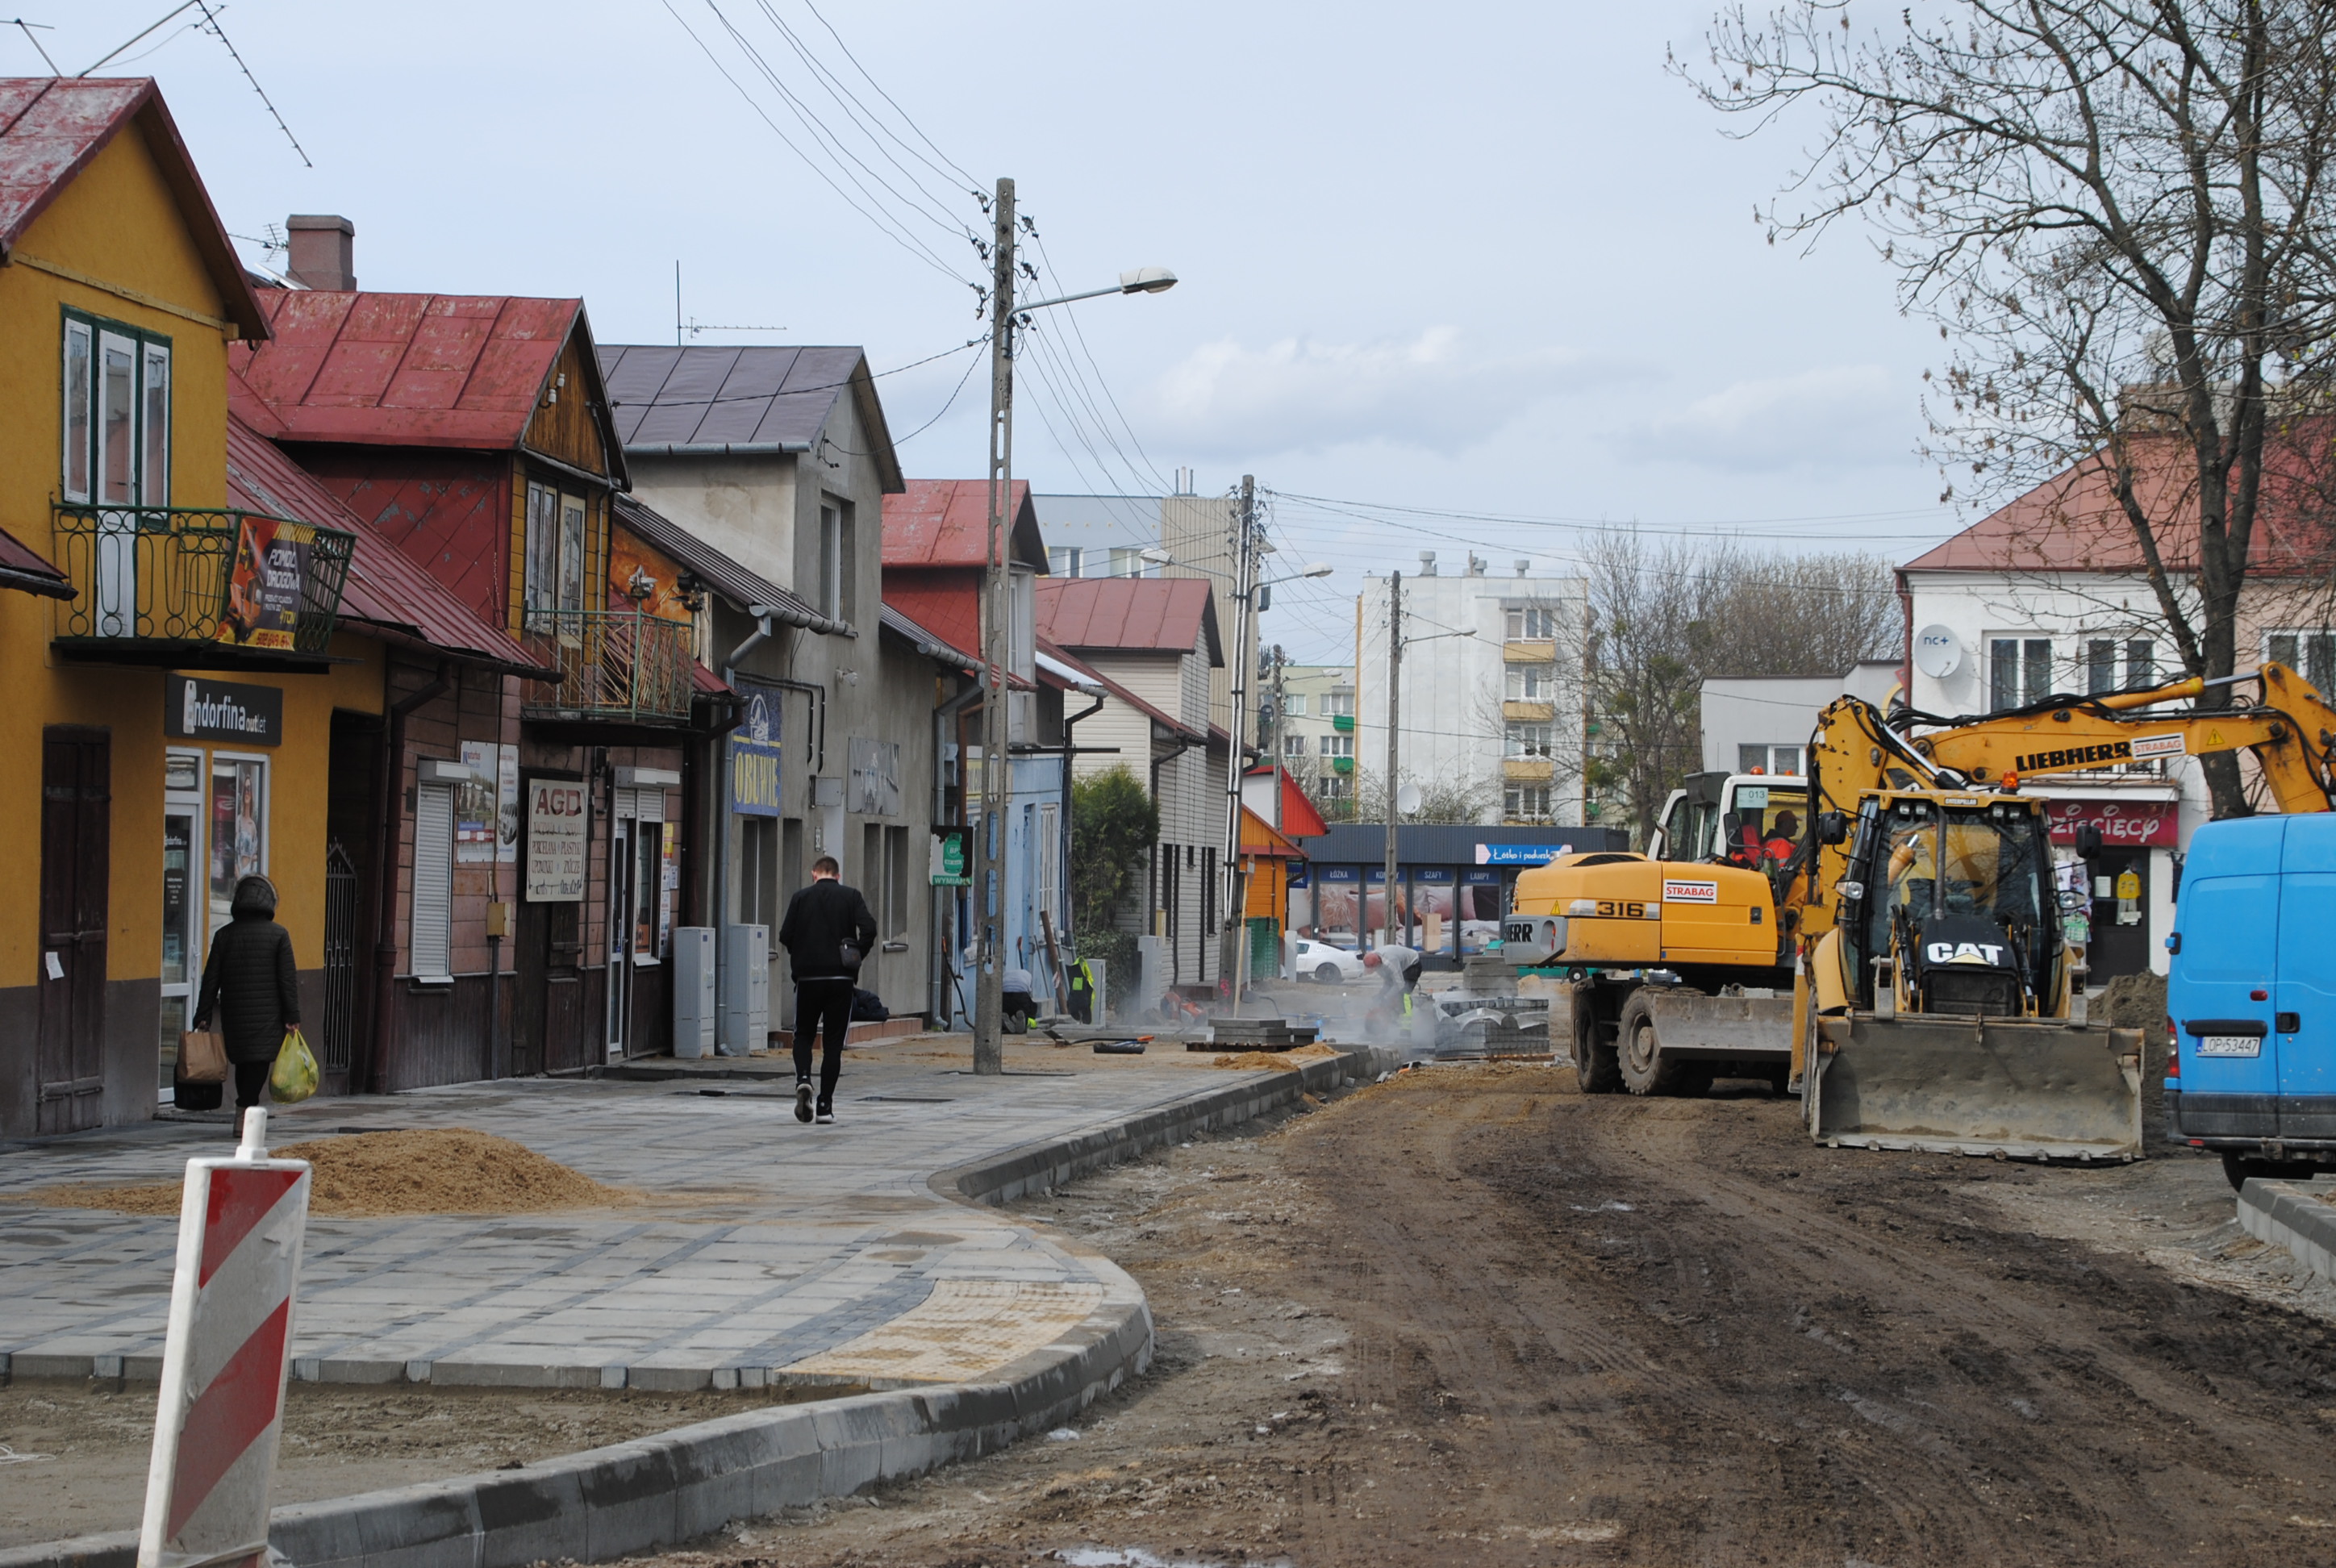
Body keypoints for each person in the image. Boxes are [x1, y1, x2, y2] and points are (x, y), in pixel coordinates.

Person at [192, 875, 299, 1135]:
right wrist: (292, 1015)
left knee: (243, 1062)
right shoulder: (279, 935)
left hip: (235, 1014)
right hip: (268, 1014)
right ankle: (245, 1111)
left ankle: (244, 1112)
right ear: (270, 903)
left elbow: (211, 979)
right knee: (258, 1062)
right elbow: (287, 979)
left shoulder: (224, 935)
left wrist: (203, 1014)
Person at [778, 855, 877, 1125]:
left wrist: (802, 951)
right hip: (840, 979)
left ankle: (804, 1079)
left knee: (803, 1034)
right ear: (838, 875)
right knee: (833, 1043)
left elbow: (785, 935)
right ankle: (825, 1106)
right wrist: (855, 953)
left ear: (814, 874)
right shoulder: (851, 896)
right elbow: (869, 928)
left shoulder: (801, 897)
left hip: (808, 978)